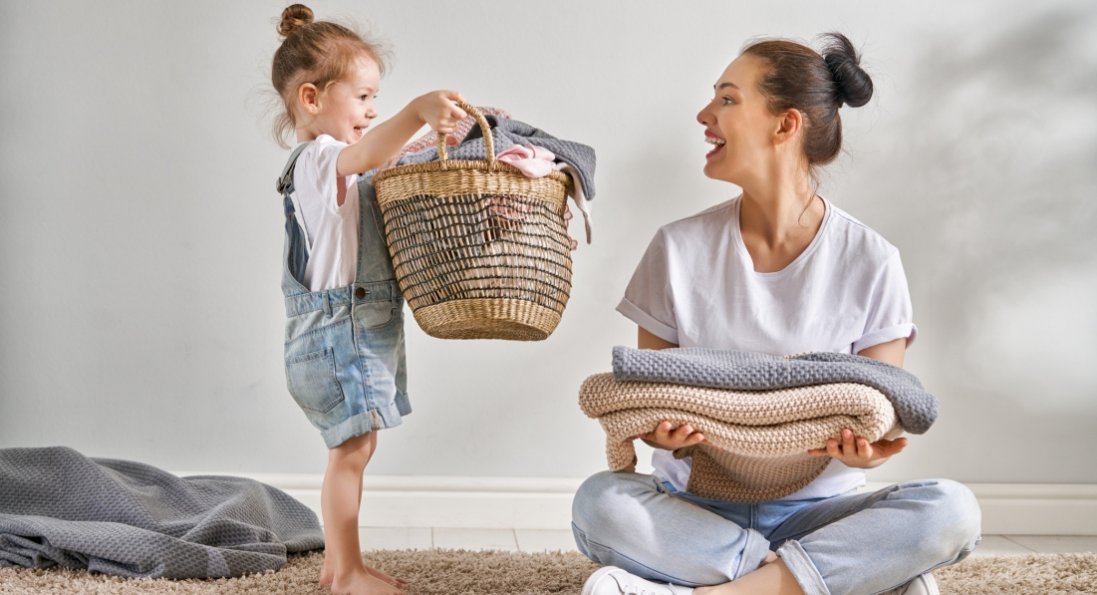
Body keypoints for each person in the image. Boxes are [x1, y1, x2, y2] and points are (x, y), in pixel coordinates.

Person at [572, 33, 981, 595]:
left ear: (784, 125)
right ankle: (832, 580)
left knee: (951, 510)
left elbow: (885, 408)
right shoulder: (676, 248)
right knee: (600, 502)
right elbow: (654, 396)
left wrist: (871, 446)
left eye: (727, 99)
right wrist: (663, 437)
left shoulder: (870, 259)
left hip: (819, 511)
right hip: (697, 511)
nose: (704, 114)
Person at [270, 5, 466, 594]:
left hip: (354, 328)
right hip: (337, 333)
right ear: (312, 98)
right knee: (350, 450)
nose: (373, 109)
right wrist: (414, 112)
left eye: (376, 98)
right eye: (362, 96)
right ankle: (348, 572)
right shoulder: (317, 160)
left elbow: (377, 164)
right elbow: (370, 153)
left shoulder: (337, 170)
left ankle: (338, 567)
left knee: (357, 445)